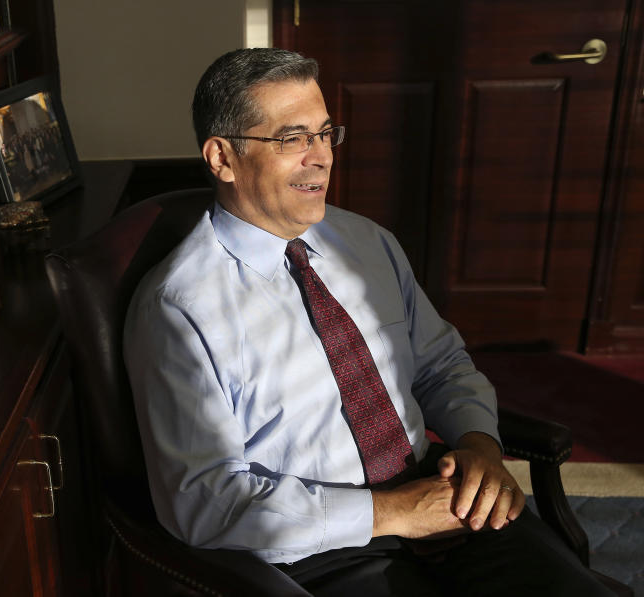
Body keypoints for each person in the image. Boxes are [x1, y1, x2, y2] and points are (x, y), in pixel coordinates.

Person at [122, 48, 610, 596]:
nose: (322, 157)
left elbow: (442, 365)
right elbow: (204, 503)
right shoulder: (178, 307)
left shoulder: (365, 242)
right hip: (319, 551)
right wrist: (392, 512)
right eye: (293, 138)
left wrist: (479, 447)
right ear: (222, 158)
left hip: (440, 496)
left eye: (326, 133)